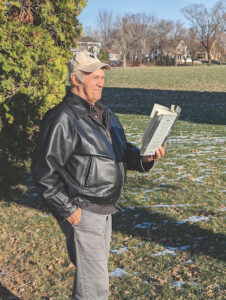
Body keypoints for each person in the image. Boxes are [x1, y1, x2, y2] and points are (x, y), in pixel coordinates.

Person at [32, 50, 166, 300]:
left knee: (91, 282)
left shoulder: (106, 114)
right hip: (84, 211)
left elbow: (122, 153)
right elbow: (43, 172)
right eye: (93, 76)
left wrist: (146, 158)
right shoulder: (63, 118)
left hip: (106, 211)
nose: (101, 81)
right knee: (95, 289)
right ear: (75, 79)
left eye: (102, 75)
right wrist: (69, 210)